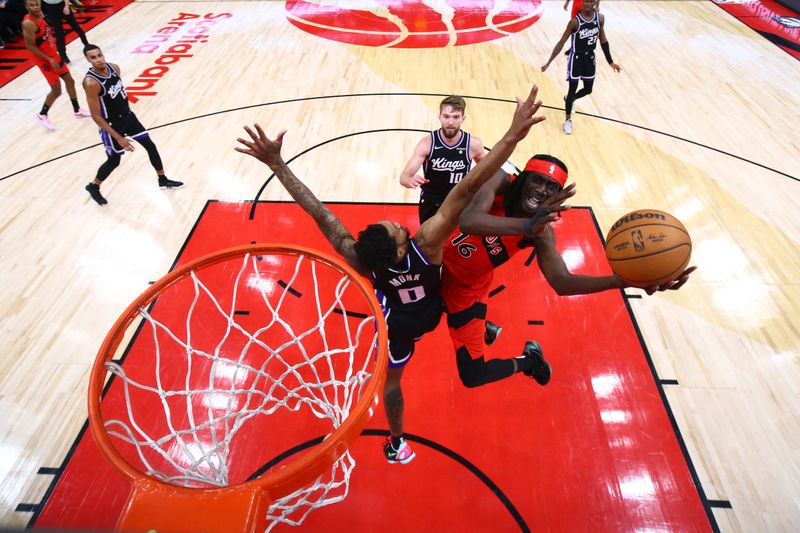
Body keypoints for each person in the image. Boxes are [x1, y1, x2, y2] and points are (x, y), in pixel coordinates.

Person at [236, 85, 551, 465]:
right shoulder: (427, 243)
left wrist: (278, 166)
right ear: (403, 247)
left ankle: (396, 441)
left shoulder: (361, 259)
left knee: (392, 381)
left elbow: (319, 213)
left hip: (399, 327)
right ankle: (480, 328)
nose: (394, 222)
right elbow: (470, 182)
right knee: (458, 283)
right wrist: (513, 135)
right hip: (433, 306)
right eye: (394, 227)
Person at [439, 156, 696, 392]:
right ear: (524, 177)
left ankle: (530, 361)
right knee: (416, 313)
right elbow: (470, 220)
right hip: (432, 261)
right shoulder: (500, 180)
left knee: (473, 376)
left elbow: (562, 283)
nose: (542, 190)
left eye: (551, 187)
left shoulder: (542, 233)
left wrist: (624, 281)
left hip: (465, 289)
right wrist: (527, 225)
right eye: (537, 180)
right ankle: (484, 326)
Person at [82, 43, 183, 206]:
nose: (98, 60)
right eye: (93, 57)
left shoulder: (114, 68)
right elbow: (95, 116)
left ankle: (163, 179)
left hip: (128, 117)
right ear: (88, 60)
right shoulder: (91, 83)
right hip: (111, 125)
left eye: (99, 55)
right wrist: (118, 138)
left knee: (150, 145)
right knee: (114, 161)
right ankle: (93, 186)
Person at [399, 95, 485, 224]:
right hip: (431, 202)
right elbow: (403, 177)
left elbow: (488, 171)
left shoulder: (473, 145)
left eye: (455, 117)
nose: (450, 122)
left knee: (455, 242)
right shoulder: (427, 143)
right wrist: (410, 180)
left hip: (459, 202)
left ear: (463, 118)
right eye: (446, 116)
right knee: (427, 241)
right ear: (439, 117)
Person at [542, 0, 620, 135]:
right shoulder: (575, 22)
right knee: (572, 88)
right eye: (586, 1)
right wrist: (549, 62)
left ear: (595, 3)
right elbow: (561, 42)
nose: (589, 4)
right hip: (576, 59)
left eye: (591, 2)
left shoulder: (600, 19)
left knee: (588, 89)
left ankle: (570, 99)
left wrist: (610, 61)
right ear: (582, 3)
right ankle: (567, 120)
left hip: (590, 58)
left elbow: (603, 40)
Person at [22, 0, 90, 130]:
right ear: (26, 7)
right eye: (31, 5)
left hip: (53, 54)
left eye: (37, 4)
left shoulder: (40, 14)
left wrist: (54, 55)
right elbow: (29, 46)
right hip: (45, 60)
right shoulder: (29, 23)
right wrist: (49, 59)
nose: (35, 7)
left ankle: (77, 110)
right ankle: (42, 114)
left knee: (70, 81)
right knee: (56, 89)